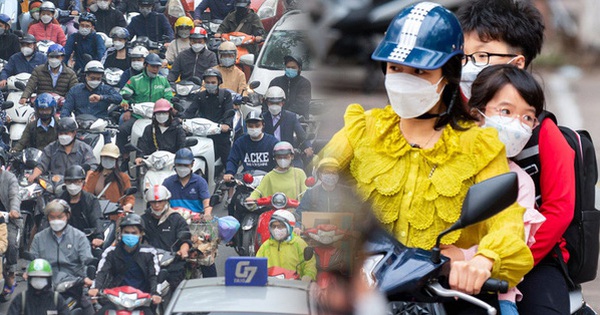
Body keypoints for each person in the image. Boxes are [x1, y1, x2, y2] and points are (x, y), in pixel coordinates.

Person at [320, 3, 533, 311]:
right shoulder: (361, 129)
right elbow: (316, 180)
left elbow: (506, 224)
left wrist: (483, 261)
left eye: (420, 71)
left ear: (448, 74)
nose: (404, 79)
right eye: (396, 68)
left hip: (442, 298)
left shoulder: (479, 146)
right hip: (363, 295)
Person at [457, 1, 574, 314]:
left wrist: (509, 261)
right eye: (464, 56)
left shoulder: (543, 133)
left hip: (535, 256)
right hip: (462, 254)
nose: (469, 66)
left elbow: (559, 210)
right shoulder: (453, 118)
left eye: (481, 56)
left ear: (517, 63)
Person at [466, 64, 547, 315]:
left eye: (527, 117)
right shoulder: (449, 162)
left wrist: (468, 259)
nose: (516, 124)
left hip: (496, 294)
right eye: (505, 111)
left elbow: (513, 240)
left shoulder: (520, 181)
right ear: (477, 113)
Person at [30, 199, 95, 315]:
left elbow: (86, 260)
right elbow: (34, 262)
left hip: (74, 286)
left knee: (89, 308)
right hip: (46, 286)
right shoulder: (39, 238)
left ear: (67, 216)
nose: (56, 221)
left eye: (60, 217)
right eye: (52, 217)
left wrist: (86, 279)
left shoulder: (79, 237)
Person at [88, 213, 161, 314]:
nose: (130, 235)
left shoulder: (150, 252)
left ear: (141, 234)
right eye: (126, 232)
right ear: (120, 233)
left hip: (141, 301)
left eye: (134, 233)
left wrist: (155, 293)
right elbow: (101, 272)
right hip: (115, 300)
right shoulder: (111, 252)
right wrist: (95, 288)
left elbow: (154, 276)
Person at [140, 185, 200, 289]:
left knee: (177, 284)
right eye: (153, 202)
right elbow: (136, 236)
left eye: (160, 201)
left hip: (172, 262)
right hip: (148, 262)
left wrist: (183, 250)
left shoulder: (176, 219)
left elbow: (185, 239)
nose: (157, 205)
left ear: (167, 201)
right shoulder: (143, 219)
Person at [117, 53, 173, 156]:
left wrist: (171, 106)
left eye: (157, 66)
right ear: (145, 65)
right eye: (152, 66)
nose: (155, 69)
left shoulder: (163, 81)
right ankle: (123, 156)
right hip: (138, 115)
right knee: (122, 131)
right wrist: (125, 103)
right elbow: (124, 93)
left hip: (158, 116)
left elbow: (169, 97)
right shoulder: (135, 80)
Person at [183, 68, 233, 167]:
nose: (210, 84)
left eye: (213, 82)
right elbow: (190, 111)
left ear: (219, 82)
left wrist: (226, 125)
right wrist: (181, 119)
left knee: (227, 158)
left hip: (219, 132)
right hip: (202, 131)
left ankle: (227, 174)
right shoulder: (200, 96)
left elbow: (228, 111)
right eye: (207, 82)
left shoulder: (226, 95)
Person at [295, 157, 359, 231]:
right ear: (320, 175)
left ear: (338, 175)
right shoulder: (311, 193)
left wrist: (357, 230)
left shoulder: (346, 192)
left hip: (341, 234)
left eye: (334, 172)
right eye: (327, 172)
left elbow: (357, 213)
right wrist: (298, 227)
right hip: (315, 234)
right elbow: (299, 214)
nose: (331, 175)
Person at [28, 117, 98, 184]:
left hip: (77, 185)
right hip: (55, 185)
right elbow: (41, 165)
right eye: (61, 134)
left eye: (66, 133)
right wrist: (33, 176)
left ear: (74, 133)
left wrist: (87, 180)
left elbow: (92, 166)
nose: (63, 136)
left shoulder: (84, 149)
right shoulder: (51, 148)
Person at [256, 210, 316, 281]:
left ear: (290, 227)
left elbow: (310, 265)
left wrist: (308, 276)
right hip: (270, 286)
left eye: (280, 226)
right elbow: (257, 265)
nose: (276, 229)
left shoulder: (299, 243)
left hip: (294, 287)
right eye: (274, 226)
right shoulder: (266, 245)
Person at [262, 86, 313, 167]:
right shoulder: (262, 118)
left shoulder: (291, 117)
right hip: (268, 156)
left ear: (282, 103)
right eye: (272, 103)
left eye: (277, 103)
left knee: (299, 169)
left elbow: (302, 136)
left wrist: (308, 147)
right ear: (267, 103)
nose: (274, 106)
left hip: (287, 155)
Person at [58, 165, 104, 249]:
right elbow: (51, 219)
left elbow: (96, 218)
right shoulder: (60, 201)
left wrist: (98, 236)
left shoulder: (91, 200)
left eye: (77, 181)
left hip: (86, 241)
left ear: (83, 182)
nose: (73, 185)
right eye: (69, 181)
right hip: (62, 241)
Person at [224, 111, 278, 181]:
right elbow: (232, 160)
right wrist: (229, 172)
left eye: (257, 125)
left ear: (263, 125)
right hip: (247, 180)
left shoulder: (272, 142)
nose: (254, 128)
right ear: (246, 126)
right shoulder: (240, 142)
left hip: (268, 181)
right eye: (250, 126)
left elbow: (279, 159)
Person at [84, 143, 135, 212]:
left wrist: (128, 205)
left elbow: (129, 197)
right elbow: (86, 194)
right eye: (105, 157)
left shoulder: (123, 177)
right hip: (96, 214)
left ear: (116, 160)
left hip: (115, 215)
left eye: (111, 158)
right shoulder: (93, 176)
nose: (108, 160)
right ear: (101, 158)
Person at [163, 148, 212, 215]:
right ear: (175, 164)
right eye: (179, 165)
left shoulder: (200, 182)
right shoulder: (168, 183)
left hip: (195, 219)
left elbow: (206, 202)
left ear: (192, 164)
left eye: (185, 165)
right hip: (174, 219)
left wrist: (207, 214)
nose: (182, 168)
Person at [0, 150, 21, 302]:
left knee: (11, 244)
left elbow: (15, 195)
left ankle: (11, 272)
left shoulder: (9, 178)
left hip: (7, 220)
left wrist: (14, 210)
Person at [268, 55, 311, 119]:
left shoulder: (304, 83)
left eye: (293, 68)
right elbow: (267, 100)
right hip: (275, 118)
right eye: (288, 67)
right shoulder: (276, 82)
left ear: (299, 68)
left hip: (298, 120)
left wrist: (285, 115)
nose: (290, 69)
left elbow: (302, 104)